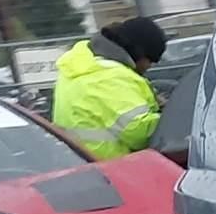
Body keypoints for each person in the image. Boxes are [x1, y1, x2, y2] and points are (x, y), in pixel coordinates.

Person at [51, 17, 168, 159]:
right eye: (152, 60)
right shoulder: (110, 76)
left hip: (84, 163)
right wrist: (174, 118)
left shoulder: (84, 65)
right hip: (116, 169)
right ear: (139, 53)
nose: (150, 66)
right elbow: (139, 133)